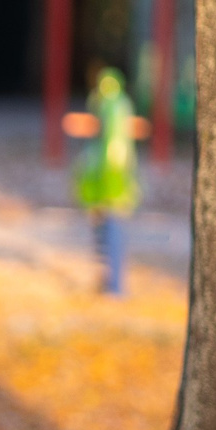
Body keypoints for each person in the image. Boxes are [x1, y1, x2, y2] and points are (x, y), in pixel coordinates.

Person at [72, 66, 141, 295]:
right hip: (109, 185)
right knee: (107, 232)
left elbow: (113, 151)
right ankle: (111, 283)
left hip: (111, 185)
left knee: (113, 231)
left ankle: (115, 287)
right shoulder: (119, 107)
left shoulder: (113, 109)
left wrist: (108, 183)